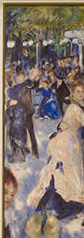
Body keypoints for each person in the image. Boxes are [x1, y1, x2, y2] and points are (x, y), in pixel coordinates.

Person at [30, 71, 84, 221]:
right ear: (73, 93)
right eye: (78, 92)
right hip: (66, 143)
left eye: (82, 92)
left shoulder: (75, 106)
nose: (81, 94)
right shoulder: (75, 108)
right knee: (65, 174)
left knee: (58, 173)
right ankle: (58, 207)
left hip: (66, 141)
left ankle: (57, 207)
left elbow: (63, 124)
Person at [6, 64, 37, 160]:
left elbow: (33, 84)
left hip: (27, 113)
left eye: (21, 77)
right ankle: (21, 150)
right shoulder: (15, 88)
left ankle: (35, 152)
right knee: (19, 133)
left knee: (31, 133)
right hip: (19, 114)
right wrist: (9, 103)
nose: (19, 79)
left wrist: (35, 78)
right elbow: (10, 97)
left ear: (24, 77)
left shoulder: (27, 85)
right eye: (18, 77)